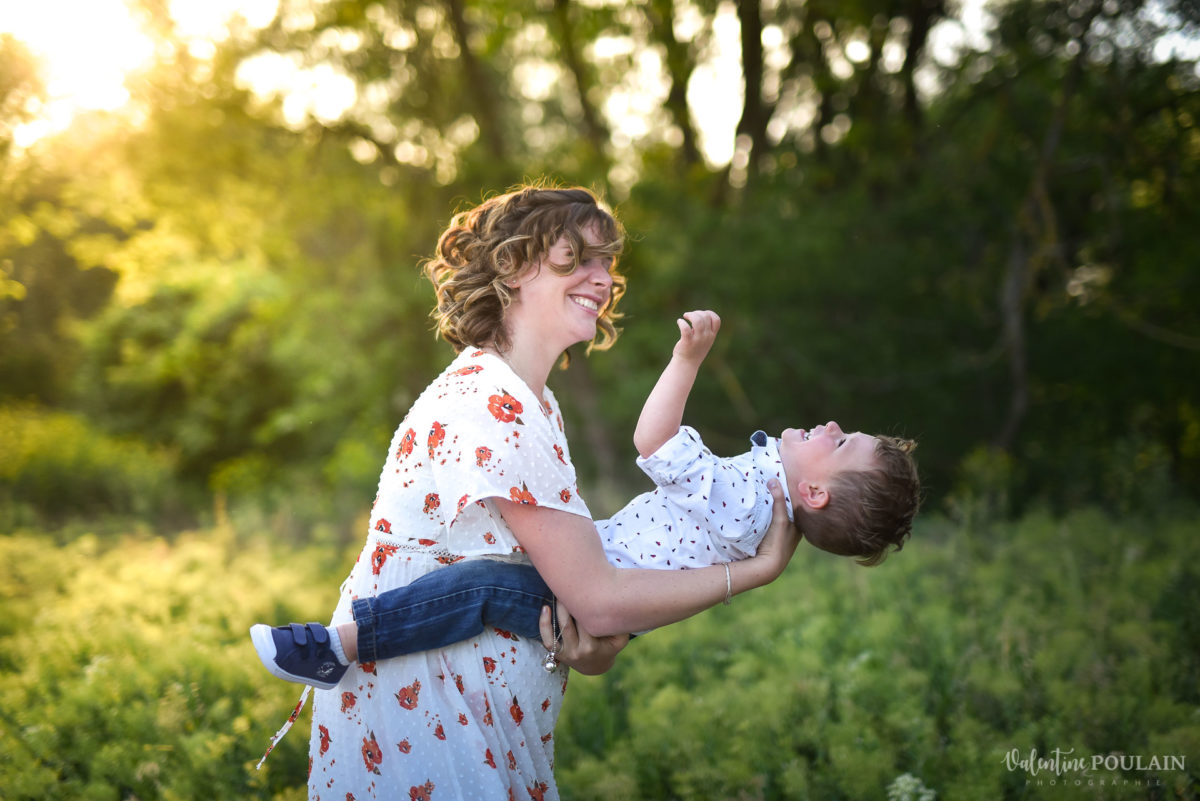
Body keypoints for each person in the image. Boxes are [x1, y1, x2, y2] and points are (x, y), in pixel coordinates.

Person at [262, 185, 801, 801]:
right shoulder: (493, 403)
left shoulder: (531, 401)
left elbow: (564, 596)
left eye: (607, 264)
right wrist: (755, 572)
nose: (602, 279)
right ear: (514, 267)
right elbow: (598, 598)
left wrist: (589, 651)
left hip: (477, 719)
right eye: (580, 258)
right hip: (430, 718)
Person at [252, 311, 920, 690]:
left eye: (841, 442)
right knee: (477, 570)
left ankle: (335, 643)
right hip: (595, 577)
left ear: (812, 490)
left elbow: (653, 441)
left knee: (478, 587)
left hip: (582, 593)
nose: (831, 426)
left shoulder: (748, 502)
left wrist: (688, 358)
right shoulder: (759, 502)